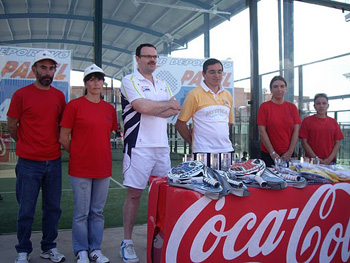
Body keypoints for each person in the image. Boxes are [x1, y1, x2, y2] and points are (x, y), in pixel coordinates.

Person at [120, 43, 181, 263]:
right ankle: (126, 242)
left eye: (154, 56)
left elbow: (175, 109)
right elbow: (143, 108)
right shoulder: (129, 80)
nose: (151, 60)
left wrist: (155, 106)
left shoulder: (163, 83)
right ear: (137, 59)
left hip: (161, 148)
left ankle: (159, 239)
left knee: (162, 196)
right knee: (134, 195)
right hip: (138, 146)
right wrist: (162, 106)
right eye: (147, 56)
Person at [7, 50, 66, 263]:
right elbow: (12, 125)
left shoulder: (59, 96)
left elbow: (62, 126)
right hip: (28, 164)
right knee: (26, 210)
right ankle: (23, 250)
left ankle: (48, 247)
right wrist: (24, 142)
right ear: (34, 70)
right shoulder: (21, 95)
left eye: (51, 68)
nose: (47, 72)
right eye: (43, 67)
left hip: (53, 162)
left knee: (52, 209)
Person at [59, 64, 118, 263]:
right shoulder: (74, 106)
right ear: (85, 83)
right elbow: (63, 137)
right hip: (80, 169)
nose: (96, 83)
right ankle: (81, 251)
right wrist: (78, 153)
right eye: (92, 79)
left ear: (103, 83)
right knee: (81, 212)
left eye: (99, 79)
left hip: (103, 168)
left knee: (97, 212)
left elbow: (111, 133)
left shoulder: (109, 109)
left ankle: (95, 249)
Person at [175, 58, 234, 164]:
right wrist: (193, 143)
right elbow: (180, 124)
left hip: (226, 151)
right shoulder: (194, 94)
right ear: (203, 74)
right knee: (205, 181)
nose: (217, 75)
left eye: (219, 72)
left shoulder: (228, 95)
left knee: (225, 180)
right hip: (203, 152)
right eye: (212, 72)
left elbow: (228, 124)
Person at [257, 75, 301, 167]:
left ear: (286, 89)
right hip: (268, 155)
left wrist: (290, 152)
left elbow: (296, 131)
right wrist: (272, 153)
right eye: (275, 86)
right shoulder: (264, 107)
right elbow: (262, 131)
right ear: (271, 89)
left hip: (288, 156)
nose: (279, 89)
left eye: (282, 86)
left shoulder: (292, 108)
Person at [299, 93, 344, 165]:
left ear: (328, 106)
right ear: (314, 106)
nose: (321, 106)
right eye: (318, 103)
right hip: (311, 162)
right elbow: (304, 142)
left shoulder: (333, 122)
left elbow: (337, 142)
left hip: (330, 162)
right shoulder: (307, 121)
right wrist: (316, 158)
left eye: (324, 103)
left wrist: (329, 159)